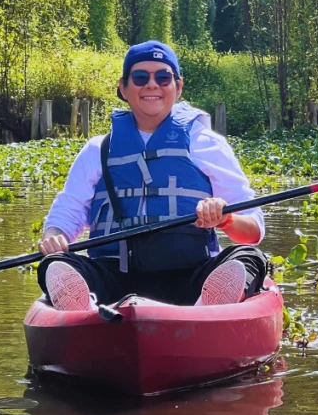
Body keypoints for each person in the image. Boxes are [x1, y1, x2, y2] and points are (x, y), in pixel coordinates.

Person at [37, 40, 267, 310]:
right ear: (123, 87)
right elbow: (67, 212)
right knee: (55, 264)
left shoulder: (206, 143)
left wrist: (226, 219)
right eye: (140, 77)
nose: (151, 85)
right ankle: (85, 310)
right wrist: (54, 235)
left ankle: (208, 307)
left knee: (249, 257)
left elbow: (253, 229)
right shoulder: (98, 150)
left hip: (190, 276)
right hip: (113, 277)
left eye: (163, 77)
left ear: (178, 87)